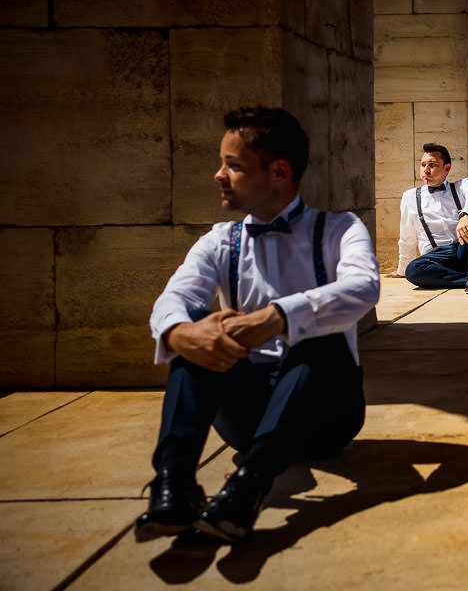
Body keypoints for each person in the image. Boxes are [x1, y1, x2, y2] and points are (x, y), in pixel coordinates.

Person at [135, 107, 380, 544]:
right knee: (195, 331)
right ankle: (174, 484)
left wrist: (280, 317)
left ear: (279, 170)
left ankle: (248, 487)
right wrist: (179, 333)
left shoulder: (338, 229)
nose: (218, 175)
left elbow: (364, 287)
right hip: (245, 419)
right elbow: (173, 299)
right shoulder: (218, 241)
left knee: (320, 336)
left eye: (233, 165)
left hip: (326, 416)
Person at [388, 143, 468, 293]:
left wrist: (465, 216)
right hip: (437, 257)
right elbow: (407, 237)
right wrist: (402, 269)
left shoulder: (462, 186)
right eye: (423, 165)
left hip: (464, 248)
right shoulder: (410, 197)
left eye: (432, 165)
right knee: (413, 271)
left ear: (447, 168)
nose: (426, 170)